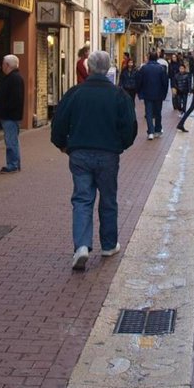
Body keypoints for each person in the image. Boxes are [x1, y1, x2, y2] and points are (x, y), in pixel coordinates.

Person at [50, 50, 138, 271]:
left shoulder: (75, 93)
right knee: (108, 199)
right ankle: (108, 244)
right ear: (108, 69)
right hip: (108, 153)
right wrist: (121, 145)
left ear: (88, 68)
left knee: (82, 199)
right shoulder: (119, 95)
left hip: (79, 152)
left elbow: (58, 122)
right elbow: (130, 126)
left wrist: (63, 145)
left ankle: (81, 246)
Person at [0, 54, 25, 174]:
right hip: (10, 115)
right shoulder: (12, 78)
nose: (1, 66)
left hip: (10, 116)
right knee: (12, 140)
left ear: (7, 65)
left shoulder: (14, 79)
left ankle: (13, 165)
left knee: (11, 141)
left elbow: (15, 99)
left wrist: (3, 109)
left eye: (3, 64)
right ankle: (15, 163)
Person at [136, 50, 169, 139]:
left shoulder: (144, 68)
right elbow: (165, 82)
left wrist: (139, 92)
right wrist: (164, 93)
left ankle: (150, 131)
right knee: (158, 112)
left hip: (147, 94)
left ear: (149, 58)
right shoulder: (161, 68)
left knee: (149, 113)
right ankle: (158, 129)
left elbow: (139, 81)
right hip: (159, 94)